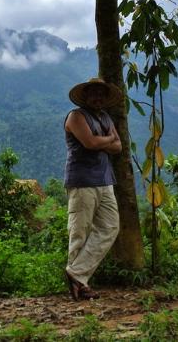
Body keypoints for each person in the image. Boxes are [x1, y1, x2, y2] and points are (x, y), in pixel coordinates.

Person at [63, 77, 122, 301]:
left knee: (110, 226)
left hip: (105, 180)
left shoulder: (104, 117)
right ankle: (81, 283)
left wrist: (102, 140)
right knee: (80, 230)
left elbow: (119, 146)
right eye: (94, 93)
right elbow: (90, 143)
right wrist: (107, 139)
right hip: (81, 181)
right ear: (85, 96)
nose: (98, 97)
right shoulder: (76, 116)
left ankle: (76, 274)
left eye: (101, 94)